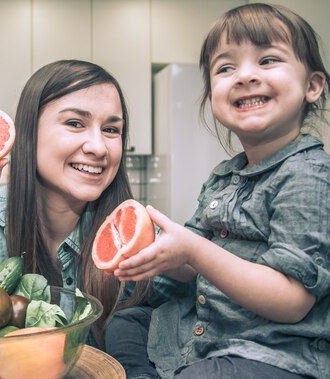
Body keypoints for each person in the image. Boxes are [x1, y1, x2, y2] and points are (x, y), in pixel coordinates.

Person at [108, 3, 330, 379]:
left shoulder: (308, 175)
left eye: (268, 60)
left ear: (312, 86)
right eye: (226, 68)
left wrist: (194, 249)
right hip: (209, 334)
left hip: (271, 351)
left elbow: (292, 301)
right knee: (125, 324)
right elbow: (190, 265)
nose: (244, 76)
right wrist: (162, 253)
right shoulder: (224, 177)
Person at [0, 60, 183, 347]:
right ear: (29, 133)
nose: (99, 147)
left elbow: (200, 309)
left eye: (112, 130)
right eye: (75, 123)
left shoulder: (137, 232)